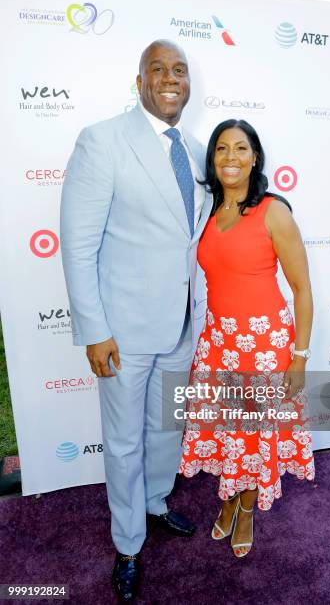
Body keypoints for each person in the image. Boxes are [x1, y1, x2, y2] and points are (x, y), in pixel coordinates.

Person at [60, 40, 212, 601]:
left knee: (166, 429)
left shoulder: (197, 150)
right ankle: (128, 544)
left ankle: (153, 503)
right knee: (123, 441)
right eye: (158, 69)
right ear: (140, 79)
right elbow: (78, 246)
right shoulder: (103, 141)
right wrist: (93, 329)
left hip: (180, 328)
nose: (170, 79)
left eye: (179, 70)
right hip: (121, 333)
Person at [180, 119, 315, 558]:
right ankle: (228, 499)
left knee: (255, 435)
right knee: (227, 432)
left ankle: (246, 509)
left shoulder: (273, 210)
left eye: (241, 149)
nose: (231, 158)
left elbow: (301, 289)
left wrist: (300, 358)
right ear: (213, 159)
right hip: (218, 341)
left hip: (264, 346)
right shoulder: (208, 211)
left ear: (255, 156)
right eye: (222, 149)